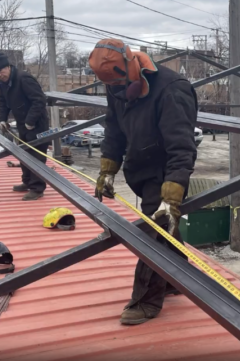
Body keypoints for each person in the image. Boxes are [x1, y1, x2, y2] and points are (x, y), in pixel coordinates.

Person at [89, 39, 198, 325]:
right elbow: (114, 130)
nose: (119, 93)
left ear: (132, 65)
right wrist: (108, 170)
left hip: (165, 171)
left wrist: (172, 196)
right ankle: (176, 277)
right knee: (163, 229)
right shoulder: (115, 86)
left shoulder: (172, 90)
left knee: (154, 228)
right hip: (140, 167)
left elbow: (181, 147)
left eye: (121, 86)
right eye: (113, 88)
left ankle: (146, 301)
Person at [0, 52, 50, 201]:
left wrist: (30, 121)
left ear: (8, 67)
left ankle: (37, 188)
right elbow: (3, 102)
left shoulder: (24, 79)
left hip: (37, 125)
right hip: (22, 124)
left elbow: (39, 100)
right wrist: (1, 120)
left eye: (1, 71)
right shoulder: (4, 83)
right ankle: (27, 182)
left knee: (36, 156)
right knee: (24, 154)